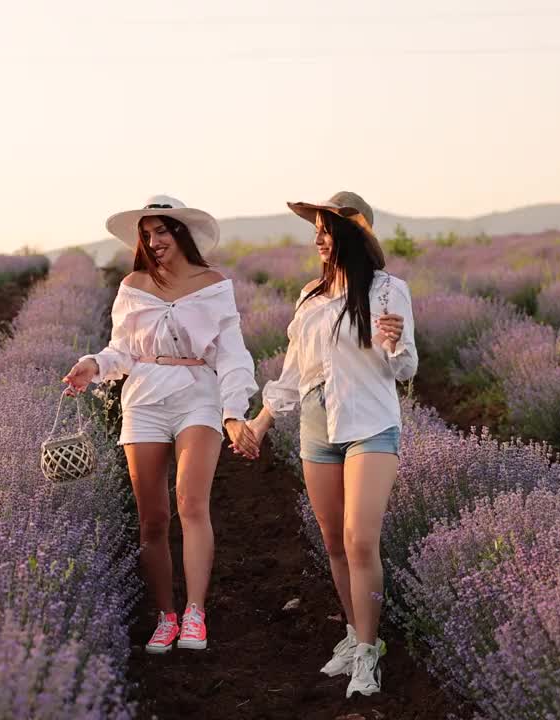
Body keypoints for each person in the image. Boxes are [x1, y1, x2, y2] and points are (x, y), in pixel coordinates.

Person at [62, 195, 259, 654]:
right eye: (146, 235)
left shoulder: (214, 285)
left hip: (198, 396)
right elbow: (121, 351)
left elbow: (232, 354)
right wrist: (92, 364)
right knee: (152, 519)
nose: (153, 242)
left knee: (191, 503)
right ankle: (165, 616)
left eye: (161, 232)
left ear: (181, 234)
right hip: (145, 399)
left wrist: (233, 412)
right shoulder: (133, 284)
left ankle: (195, 612)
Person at [244, 191, 416, 698]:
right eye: (315, 229)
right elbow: (295, 372)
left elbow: (405, 369)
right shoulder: (310, 296)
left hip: (370, 423)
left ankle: (370, 650)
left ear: (350, 236)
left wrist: (393, 343)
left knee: (360, 538)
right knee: (335, 542)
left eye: (326, 229)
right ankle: (352, 633)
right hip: (317, 427)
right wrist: (260, 423)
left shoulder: (388, 290)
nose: (318, 238)